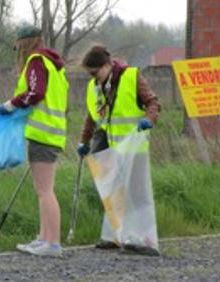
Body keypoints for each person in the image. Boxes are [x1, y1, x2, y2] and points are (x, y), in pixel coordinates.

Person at [76, 45, 161, 255]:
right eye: (90, 74)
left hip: (135, 146)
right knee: (113, 192)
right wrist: (84, 141)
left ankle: (145, 240)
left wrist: (148, 120)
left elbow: (153, 102)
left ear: (106, 65)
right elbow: (91, 117)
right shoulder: (94, 87)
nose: (93, 77)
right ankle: (116, 236)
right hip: (111, 147)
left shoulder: (131, 76)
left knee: (138, 192)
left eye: (95, 72)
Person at [0, 25, 69, 257]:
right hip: (52, 132)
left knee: (45, 191)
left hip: (42, 134)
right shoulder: (53, 65)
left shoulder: (36, 61)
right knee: (43, 190)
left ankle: (53, 243)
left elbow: (36, 92)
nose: (17, 50)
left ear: (24, 43)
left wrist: (11, 104)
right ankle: (43, 238)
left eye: (17, 45)